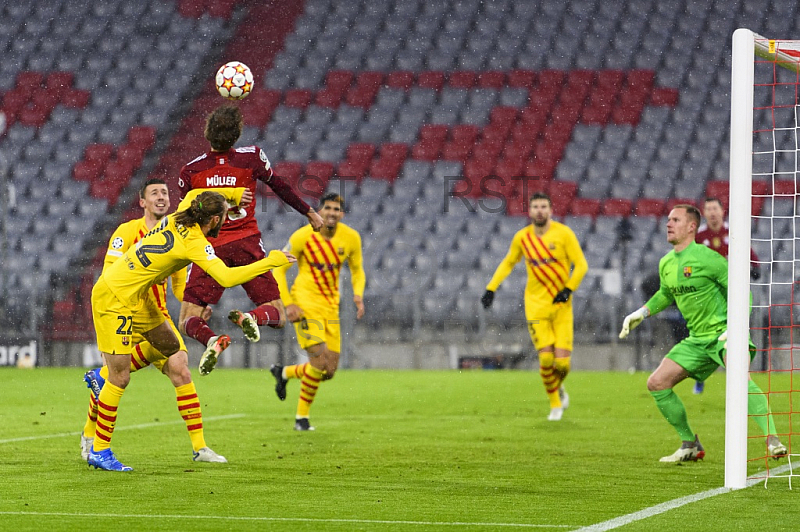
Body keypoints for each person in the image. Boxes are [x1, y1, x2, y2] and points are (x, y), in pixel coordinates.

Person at [87, 187, 295, 471]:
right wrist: (271, 261)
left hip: (139, 296)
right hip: (115, 298)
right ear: (212, 221)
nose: (225, 223)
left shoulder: (180, 214)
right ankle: (100, 450)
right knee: (120, 378)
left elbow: (198, 191)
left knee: (171, 348)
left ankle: (101, 377)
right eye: (223, 218)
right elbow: (226, 276)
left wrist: (231, 197)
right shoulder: (195, 242)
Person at [618, 204, 786, 462]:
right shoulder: (666, 262)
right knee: (657, 383)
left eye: (675, 220)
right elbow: (665, 294)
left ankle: (772, 439)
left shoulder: (709, 258)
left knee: (740, 378)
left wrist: (736, 326)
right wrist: (642, 312)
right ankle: (689, 443)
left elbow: (743, 290)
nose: (668, 224)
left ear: (691, 227)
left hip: (724, 334)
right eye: (668, 220)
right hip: (697, 340)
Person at [80, 178, 227, 464]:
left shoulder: (179, 230)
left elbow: (178, 286)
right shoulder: (126, 232)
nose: (161, 196)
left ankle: (200, 447)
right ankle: (90, 437)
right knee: (116, 377)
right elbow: (111, 271)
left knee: (180, 366)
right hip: (123, 311)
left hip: (154, 315)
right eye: (154, 193)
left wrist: (195, 304)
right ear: (142, 202)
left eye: (165, 192)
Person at [177, 104, 323, 375]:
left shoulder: (191, 171)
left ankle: (213, 339)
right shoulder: (252, 157)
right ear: (237, 135)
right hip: (247, 243)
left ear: (208, 134)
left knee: (188, 318)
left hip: (210, 248)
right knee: (277, 314)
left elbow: (185, 213)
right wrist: (309, 212)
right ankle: (251, 318)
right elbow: (280, 186)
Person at [480, 192, 588, 421]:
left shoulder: (564, 234)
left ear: (550, 210)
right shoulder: (522, 238)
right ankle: (555, 404)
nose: (539, 210)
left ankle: (559, 386)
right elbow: (508, 262)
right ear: (529, 211)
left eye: (544, 206)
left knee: (562, 364)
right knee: (546, 360)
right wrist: (491, 288)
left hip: (562, 308)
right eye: (536, 206)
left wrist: (568, 289)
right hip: (536, 306)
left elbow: (581, 265)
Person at [269, 193, 365, 431]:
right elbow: (278, 269)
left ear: (342, 214)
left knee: (329, 371)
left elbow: (357, 269)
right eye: (328, 208)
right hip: (305, 305)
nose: (332, 213)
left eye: (337, 209)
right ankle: (301, 419)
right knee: (318, 362)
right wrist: (288, 303)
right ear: (319, 211)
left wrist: (358, 294)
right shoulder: (302, 236)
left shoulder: (351, 237)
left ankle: (285, 373)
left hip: (331, 307)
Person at [692, 197, 761, 394]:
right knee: (704, 337)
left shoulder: (734, 232)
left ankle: (742, 375)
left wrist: (754, 267)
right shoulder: (699, 236)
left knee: (737, 333)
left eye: (715, 208)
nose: (712, 212)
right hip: (706, 297)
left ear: (723, 211)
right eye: (708, 209)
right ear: (704, 213)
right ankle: (700, 375)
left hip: (732, 295)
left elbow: (752, 258)